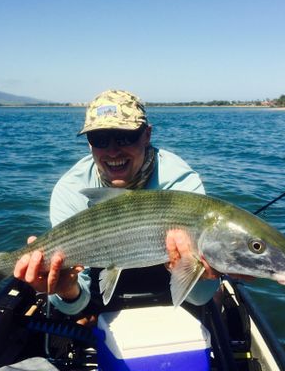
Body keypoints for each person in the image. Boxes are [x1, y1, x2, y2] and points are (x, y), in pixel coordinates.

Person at [14, 89, 221, 315]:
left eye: (125, 137)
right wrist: (67, 290)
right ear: (89, 144)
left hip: (171, 295)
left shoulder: (180, 182)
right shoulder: (71, 189)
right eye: (99, 139)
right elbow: (75, 304)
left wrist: (202, 274)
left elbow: (200, 298)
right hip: (99, 294)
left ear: (147, 135)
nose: (113, 151)